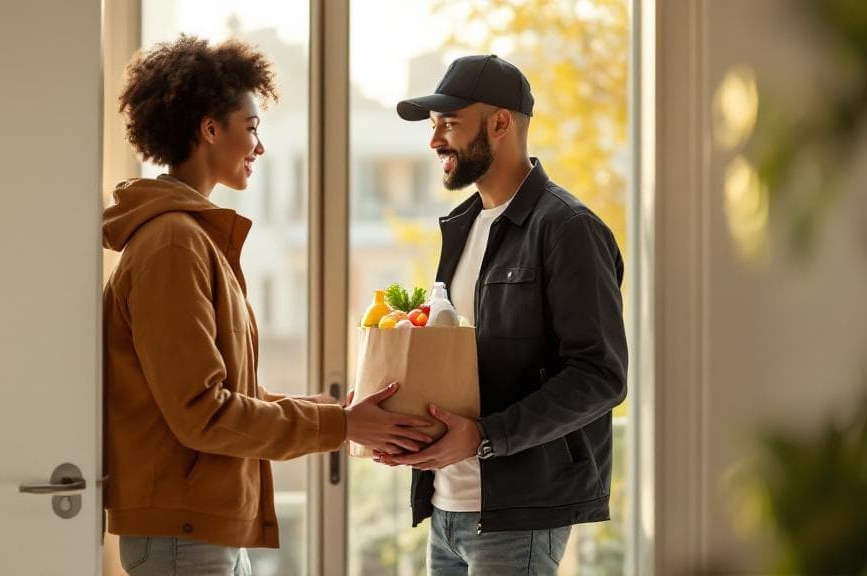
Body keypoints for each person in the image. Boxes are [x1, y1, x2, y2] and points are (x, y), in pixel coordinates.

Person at [102, 35, 434, 576]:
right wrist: (343, 426)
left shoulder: (190, 238)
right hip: (184, 541)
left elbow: (225, 396)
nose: (260, 147)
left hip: (199, 533)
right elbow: (202, 414)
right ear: (209, 128)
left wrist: (339, 415)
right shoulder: (172, 244)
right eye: (251, 127)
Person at [376, 54, 628, 576]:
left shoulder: (568, 228)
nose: (434, 141)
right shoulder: (463, 227)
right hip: (445, 505)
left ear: (500, 123)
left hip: (519, 518)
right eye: (432, 126)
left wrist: (487, 435)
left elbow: (601, 376)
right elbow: (461, 363)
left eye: (448, 124)